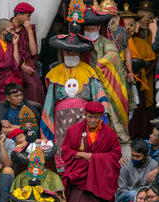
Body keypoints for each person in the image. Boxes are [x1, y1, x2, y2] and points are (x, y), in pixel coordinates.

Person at [41, 17, 110, 160]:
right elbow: (48, 105)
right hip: (61, 123)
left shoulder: (89, 72)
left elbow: (99, 97)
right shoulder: (55, 73)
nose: (71, 54)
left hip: (84, 120)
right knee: (64, 154)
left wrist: (103, 118)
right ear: (62, 52)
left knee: (84, 152)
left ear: (80, 53)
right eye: (67, 51)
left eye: (74, 51)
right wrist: (45, 134)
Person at [59, 101, 121, 202]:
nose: (93, 121)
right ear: (85, 115)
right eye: (91, 117)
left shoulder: (109, 134)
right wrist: (81, 155)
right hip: (79, 178)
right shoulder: (74, 131)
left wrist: (93, 158)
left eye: (97, 118)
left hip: (100, 180)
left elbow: (115, 155)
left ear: (102, 117)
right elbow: (66, 151)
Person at [81, 0, 130, 143]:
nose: (90, 32)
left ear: (98, 27)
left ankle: (109, 136)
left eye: (93, 29)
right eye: (87, 30)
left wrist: (98, 66)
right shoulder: (80, 42)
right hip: (83, 83)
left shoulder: (104, 42)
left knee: (107, 109)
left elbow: (113, 54)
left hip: (102, 83)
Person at [119, 4, 156, 139]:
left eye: (131, 25)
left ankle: (138, 136)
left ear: (136, 27)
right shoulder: (115, 43)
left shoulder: (141, 42)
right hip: (120, 81)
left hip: (138, 81)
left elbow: (151, 59)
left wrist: (142, 65)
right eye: (124, 25)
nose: (128, 28)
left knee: (137, 111)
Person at [11, 2, 45, 106]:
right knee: (30, 87)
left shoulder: (28, 28)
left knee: (37, 88)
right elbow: (6, 50)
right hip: (13, 63)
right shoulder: (7, 27)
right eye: (28, 16)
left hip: (28, 62)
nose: (29, 19)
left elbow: (34, 52)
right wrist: (21, 66)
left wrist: (29, 31)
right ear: (18, 15)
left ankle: (37, 115)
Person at [116, 138, 159, 202]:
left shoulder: (153, 165)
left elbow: (152, 187)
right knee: (132, 194)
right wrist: (137, 196)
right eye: (133, 155)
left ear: (146, 156)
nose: (134, 158)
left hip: (144, 200)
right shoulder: (125, 164)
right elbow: (121, 188)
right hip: (125, 199)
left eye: (138, 156)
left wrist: (141, 197)